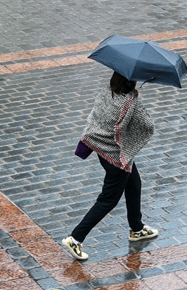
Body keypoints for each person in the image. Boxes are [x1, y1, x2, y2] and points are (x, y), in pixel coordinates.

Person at [62, 71, 159, 261]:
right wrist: (136, 103)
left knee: (134, 184)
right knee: (108, 200)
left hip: (102, 150)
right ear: (131, 81)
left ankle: (137, 229)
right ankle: (75, 238)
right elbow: (148, 126)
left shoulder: (107, 92)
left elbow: (98, 116)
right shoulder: (130, 103)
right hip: (117, 158)